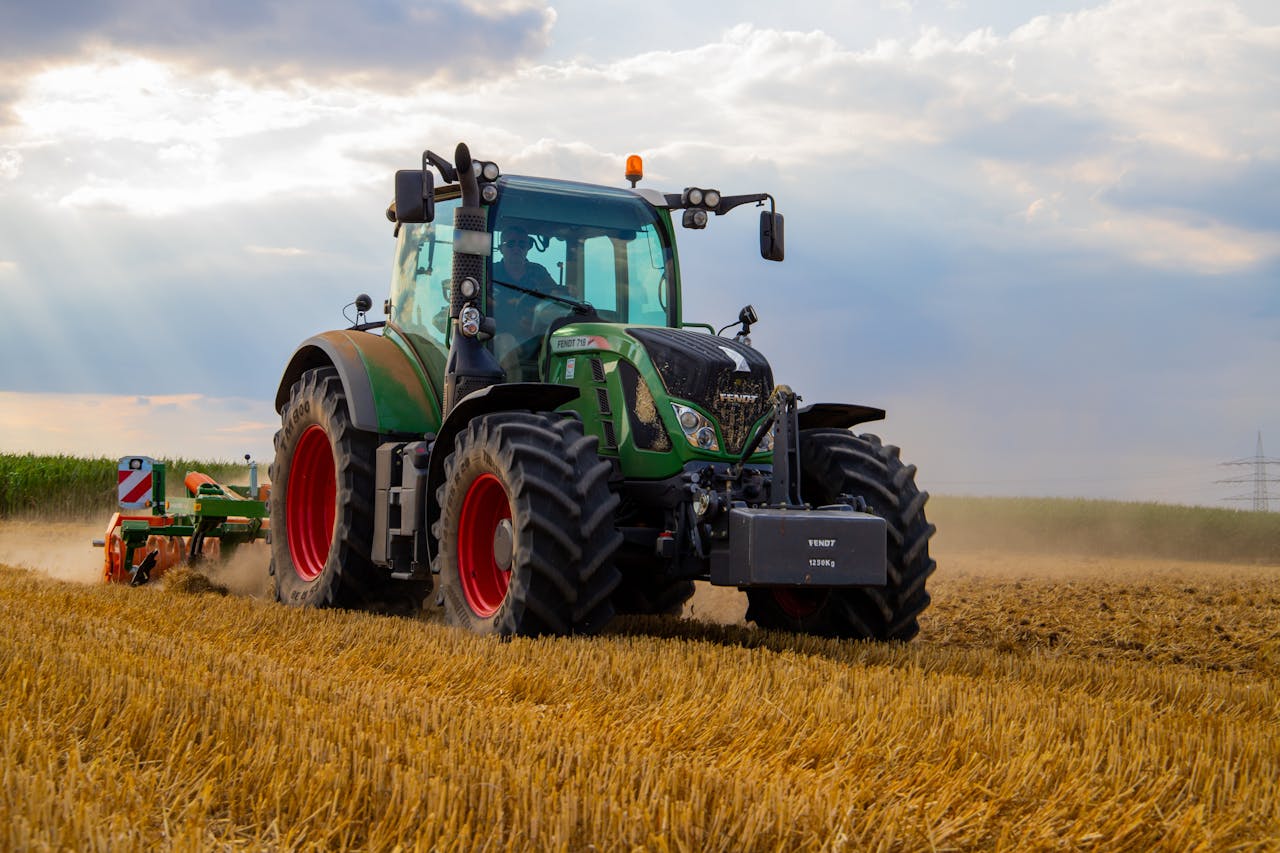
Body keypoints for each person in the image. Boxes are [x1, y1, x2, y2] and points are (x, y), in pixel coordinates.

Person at [491, 225, 565, 378]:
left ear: (528, 248)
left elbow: (555, 298)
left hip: (533, 335)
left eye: (522, 244)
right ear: (500, 248)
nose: (517, 248)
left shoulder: (538, 272)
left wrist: (563, 293)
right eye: (511, 244)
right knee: (506, 341)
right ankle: (512, 393)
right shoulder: (490, 272)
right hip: (497, 337)